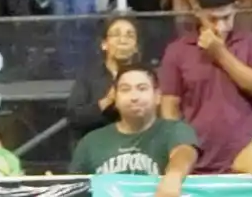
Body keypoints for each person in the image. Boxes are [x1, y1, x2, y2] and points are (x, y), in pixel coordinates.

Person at [158, 0, 252, 174]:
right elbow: (170, 110)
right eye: (212, 19)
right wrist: (181, 151)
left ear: (235, 9)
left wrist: (220, 53)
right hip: (197, 166)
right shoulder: (178, 50)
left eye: (226, 17)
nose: (220, 27)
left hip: (246, 164)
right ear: (197, 13)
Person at [71, 64, 198, 197]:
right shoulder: (91, 142)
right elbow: (73, 188)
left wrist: (174, 176)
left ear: (157, 96)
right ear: (115, 98)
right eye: (125, 90)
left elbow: (184, 152)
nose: (134, 97)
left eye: (142, 89)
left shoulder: (174, 130)